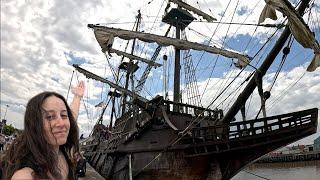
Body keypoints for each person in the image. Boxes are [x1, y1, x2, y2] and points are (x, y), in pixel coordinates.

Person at [1, 81, 85, 179]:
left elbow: (72, 115)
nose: (62, 123)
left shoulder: (60, 150)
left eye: (63, 115)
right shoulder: (25, 175)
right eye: (50, 117)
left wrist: (77, 97)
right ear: (35, 125)